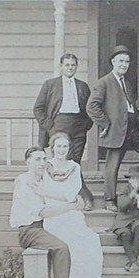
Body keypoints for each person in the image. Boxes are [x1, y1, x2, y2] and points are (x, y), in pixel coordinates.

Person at [86, 45, 139, 211]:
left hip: (133, 128)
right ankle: (109, 200)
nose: (124, 64)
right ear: (113, 62)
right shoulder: (104, 82)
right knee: (112, 166)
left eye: (126, 61)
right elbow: (92, 106)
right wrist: (105, 124)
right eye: (121, 61)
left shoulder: (127, 82)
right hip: (117, 130)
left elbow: (131, 107)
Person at [9, 146, 83, 278]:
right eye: (37, 159)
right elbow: (43, 212)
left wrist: (75, 199)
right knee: (61, 247)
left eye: (44, 159)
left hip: (46, 226)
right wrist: (71, 206)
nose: (42, 163)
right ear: (28, 162)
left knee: (78, 241)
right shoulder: (24, 182)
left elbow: (63, 194)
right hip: (30, 230)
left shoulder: (44, 180)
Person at [32, 132, 103, 278]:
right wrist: (57, 197)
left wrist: (47, 193)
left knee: (87, 241)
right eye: (58, 146)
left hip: (71, 214)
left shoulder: (74, 167)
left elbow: (71, 193)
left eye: (65, 146)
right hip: (53, 214)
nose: (62, 150)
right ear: (52, 148)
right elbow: (42, 189)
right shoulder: (46, 166)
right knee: (65, 246)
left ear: (69, 148)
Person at [33, 53, 95, 210]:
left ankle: (76, 196)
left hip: (78, 127)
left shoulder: (82, 86)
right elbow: (38, 108)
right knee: (62, 163)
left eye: (73, 65)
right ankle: (83, 197)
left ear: (76, 67)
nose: (70, 68)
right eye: (67, 65)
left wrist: (86, 124)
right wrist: (50, 127)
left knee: (75, 163)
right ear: (61, 67)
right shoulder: (50, 84)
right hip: (59, 125)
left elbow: (90, 108)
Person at [112, 165, 139, 273]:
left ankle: (132, 261)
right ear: (129, 180)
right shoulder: (123, 190)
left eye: (138, 178)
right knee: (125, 234)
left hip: (138, 219)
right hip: (123, 220)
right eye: (133, 178)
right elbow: (122, 207)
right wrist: (132, 195)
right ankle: (133, 261)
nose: (136, 181)